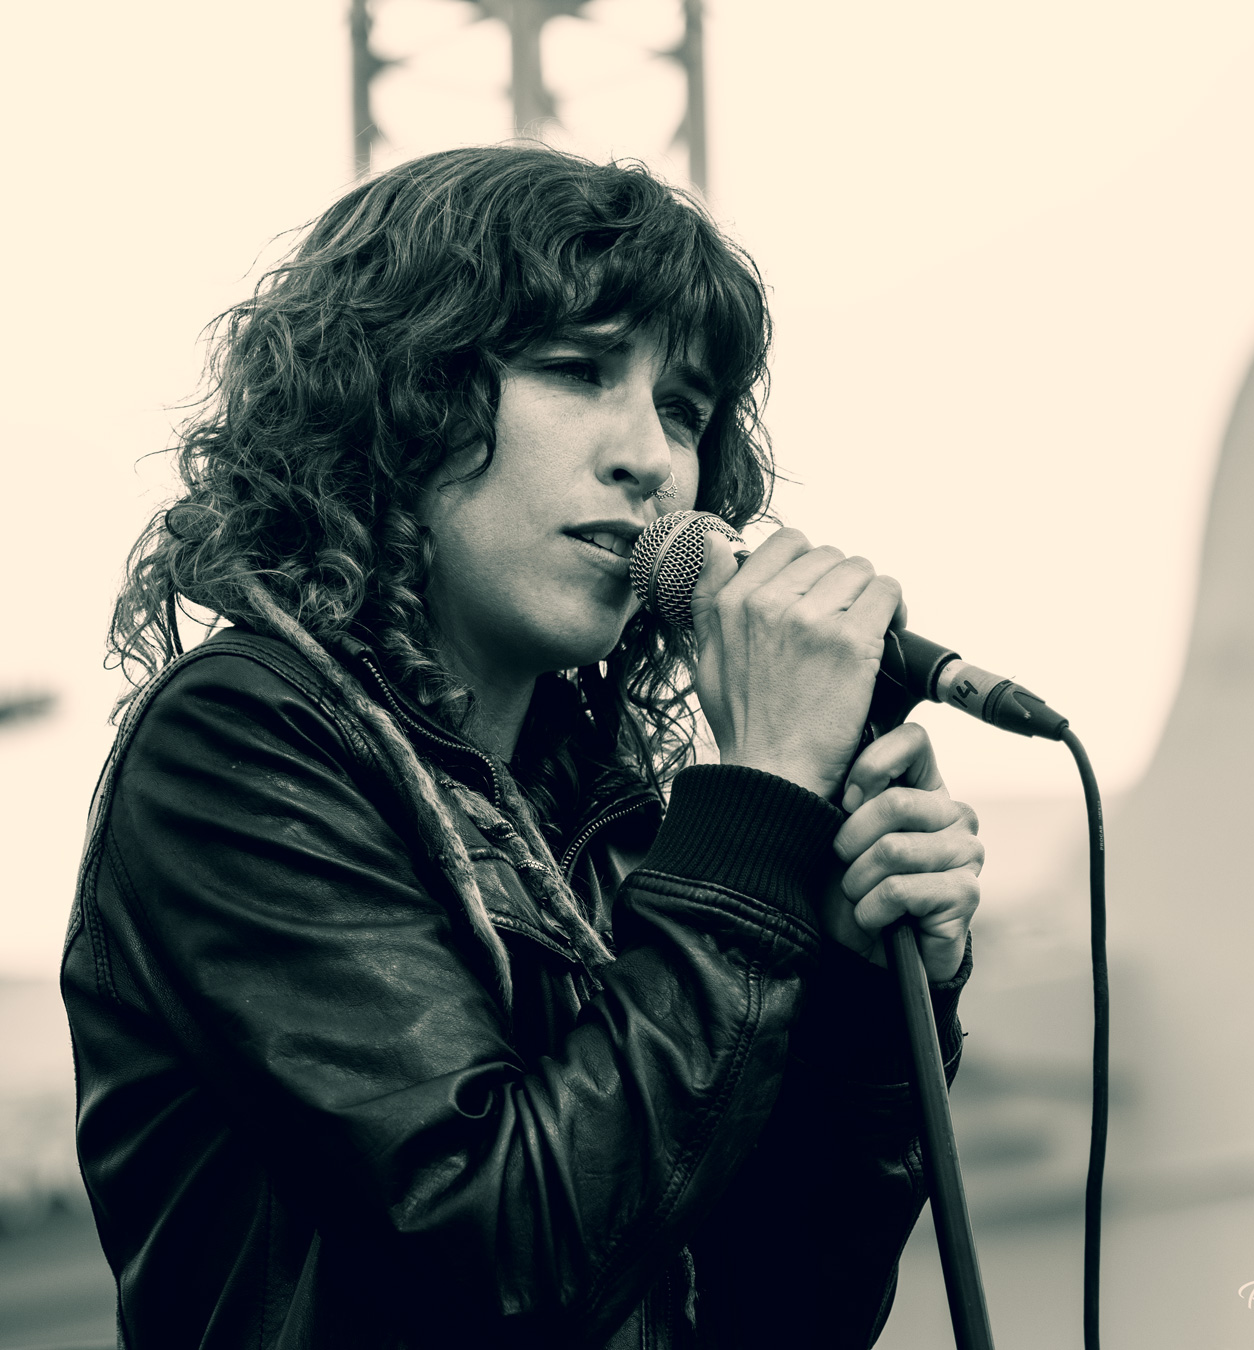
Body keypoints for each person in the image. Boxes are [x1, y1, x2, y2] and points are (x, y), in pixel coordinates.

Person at [61, 145, 983, 1350]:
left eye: (684, 409)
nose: (651, 458)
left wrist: (863, 1001)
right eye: (577, 371)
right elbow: (497, 1253)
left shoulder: (603, 821)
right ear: (400, 399)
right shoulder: (238, 742)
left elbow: (777, 1317)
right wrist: (756, 812)